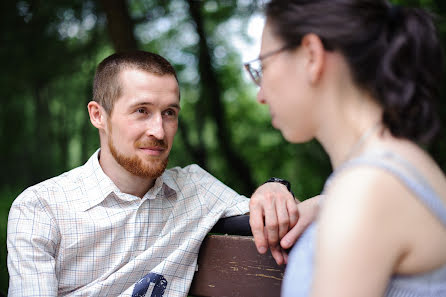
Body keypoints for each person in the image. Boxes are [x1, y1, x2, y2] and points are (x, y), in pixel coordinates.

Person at [7, 51, 307, 297]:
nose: (158, 131)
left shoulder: (195, 188)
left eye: (169, 113)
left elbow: (271, 211)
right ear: (98, 115)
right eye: (141, 111)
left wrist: (274, 187)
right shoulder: (40, 208)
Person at [244, 0, 446, 296]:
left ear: (311, 56)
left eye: (263, 66)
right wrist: (325, 202)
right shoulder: (397, 165)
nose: (260, 95)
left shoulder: (365, 189)